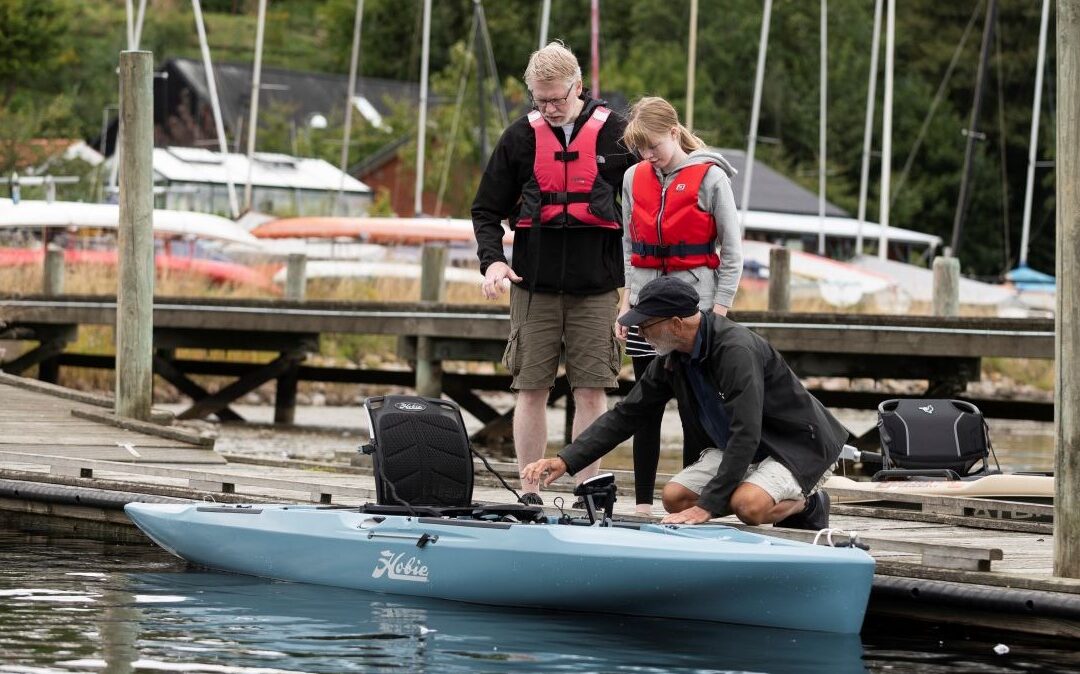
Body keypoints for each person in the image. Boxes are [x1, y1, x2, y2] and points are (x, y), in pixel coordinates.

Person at [522, 276, 848, 529]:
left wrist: (707, 506)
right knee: (675, 498)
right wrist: (566, 460)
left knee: (747, 506)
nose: (640, 333)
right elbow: (627, 416)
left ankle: (810, 502)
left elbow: (745, 433)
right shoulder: (671, 356)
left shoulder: (736, 351)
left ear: (676, 324)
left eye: (645, 326)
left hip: (795, 446)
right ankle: (752, 490)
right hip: (747, 448)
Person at [472, 41, 635, 506]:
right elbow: (485, 210)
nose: (549, 109)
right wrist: (493, 260)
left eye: (557, 100)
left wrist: (635, 286)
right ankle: (530, 490)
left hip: (599, 287)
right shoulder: (519, 139)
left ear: (578, 87)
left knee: (592, 389)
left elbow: (646, 200)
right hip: (533, 285)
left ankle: (586, 488)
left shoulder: (616, 134)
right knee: (531, 388)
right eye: (540, 101)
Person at [617, 96, 743, 515]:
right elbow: (629, 246)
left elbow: (732, 251)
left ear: (674, 132)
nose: (648, 156)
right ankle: (640, 505)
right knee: (643, 406)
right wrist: (625, 302)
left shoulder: (711, 178)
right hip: (645, 310)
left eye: (654, 146)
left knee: (695, 412)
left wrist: (718, 312)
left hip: (696, 314)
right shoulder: (634, 178)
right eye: (640, 150)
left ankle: (692, 501)